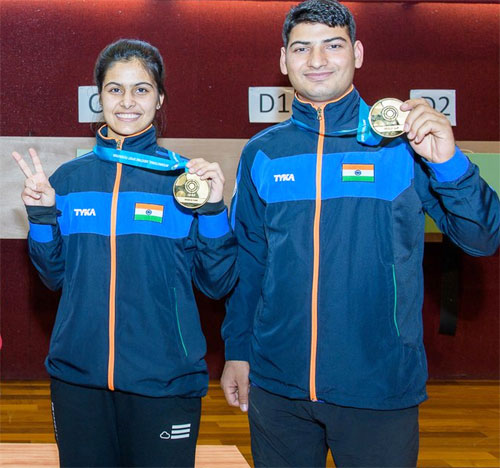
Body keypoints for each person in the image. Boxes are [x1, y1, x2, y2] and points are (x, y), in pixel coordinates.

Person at [220, 1, 500, 467]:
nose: (316, 60)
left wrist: (449, 163)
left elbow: (482, 237)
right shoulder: (262, 153)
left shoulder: (405, 143)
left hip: (378, 386)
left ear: (359, 53)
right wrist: (238, 350)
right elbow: (250, 262)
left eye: (333, 45)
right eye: (301, 48)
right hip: (277, 388)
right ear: (283, 60)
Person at [12, 38, 238, 468]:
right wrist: (41, 218)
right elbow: (54, 276)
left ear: (160, 99)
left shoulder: (185, 180)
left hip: (165, 382)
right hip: (79, 381)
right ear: (99, 98)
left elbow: (218, 281)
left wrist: (212, 210)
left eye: (141, 89)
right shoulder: (70, 179)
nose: (127, 101)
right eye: (115, 89)